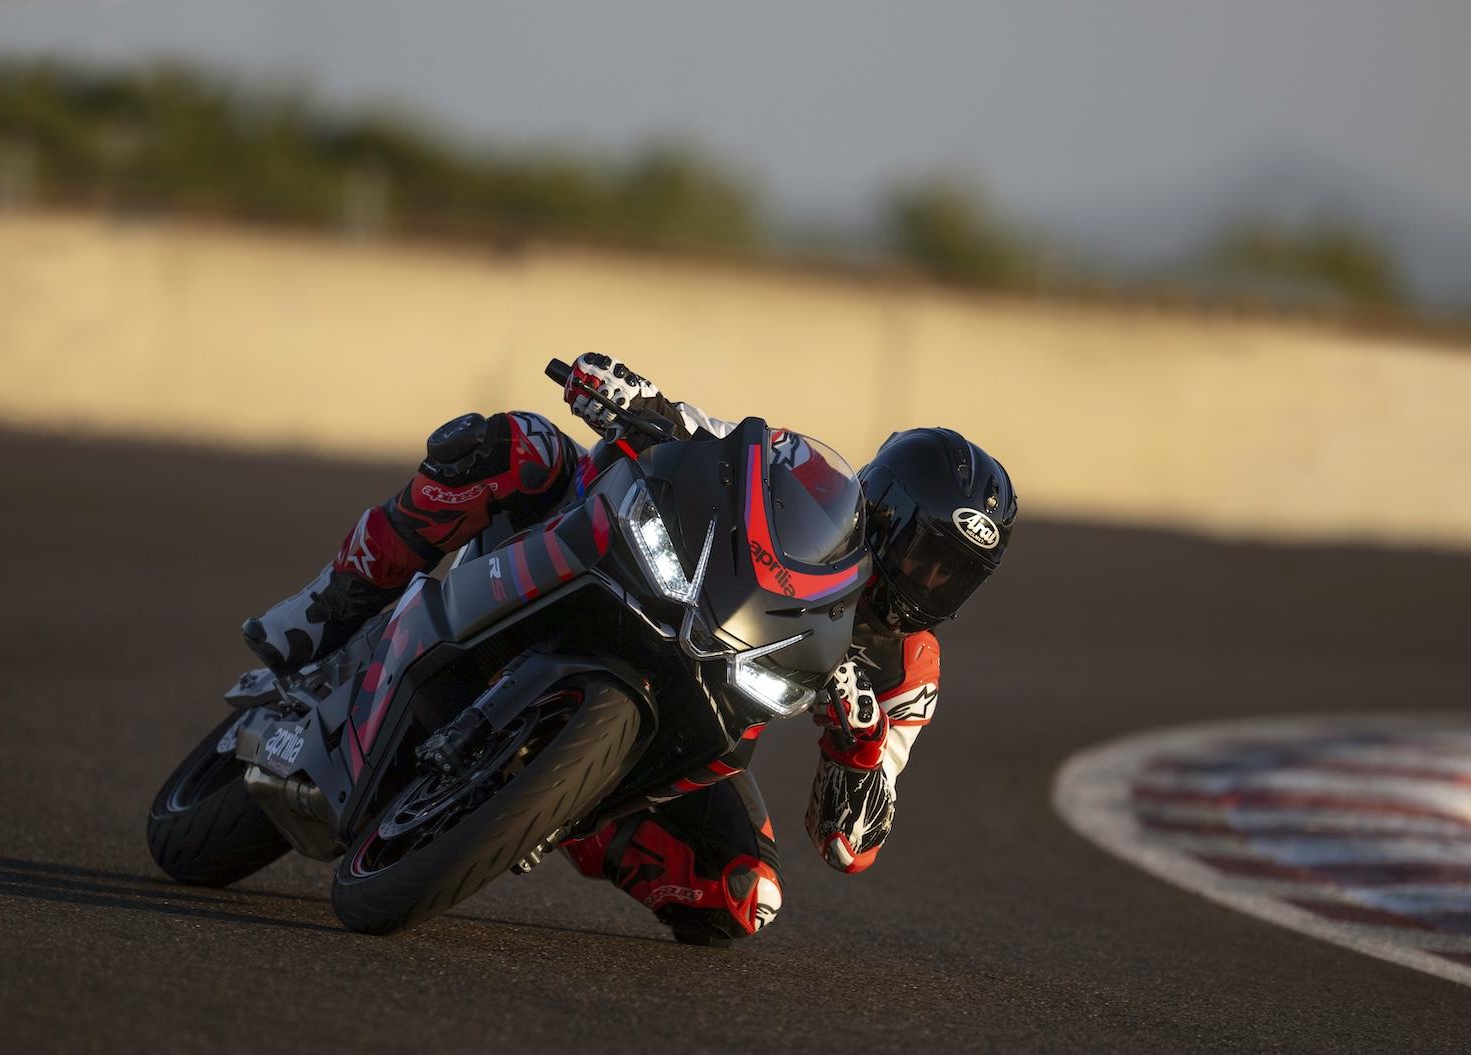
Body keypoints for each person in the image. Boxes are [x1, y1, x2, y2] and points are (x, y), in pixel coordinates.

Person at [242, 353, 1018, 945]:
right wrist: (639, 402)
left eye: (955, 575)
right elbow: (722, 442)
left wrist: (860, 739)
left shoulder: (910, 667)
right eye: (925, 552)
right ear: (884, 509)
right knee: (514, 446)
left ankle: (567, 809)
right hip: (624, 563)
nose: (929, 581)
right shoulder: (811, 480)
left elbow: (848, 845)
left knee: (743, 897)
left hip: (698, 716)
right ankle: (328, 609)